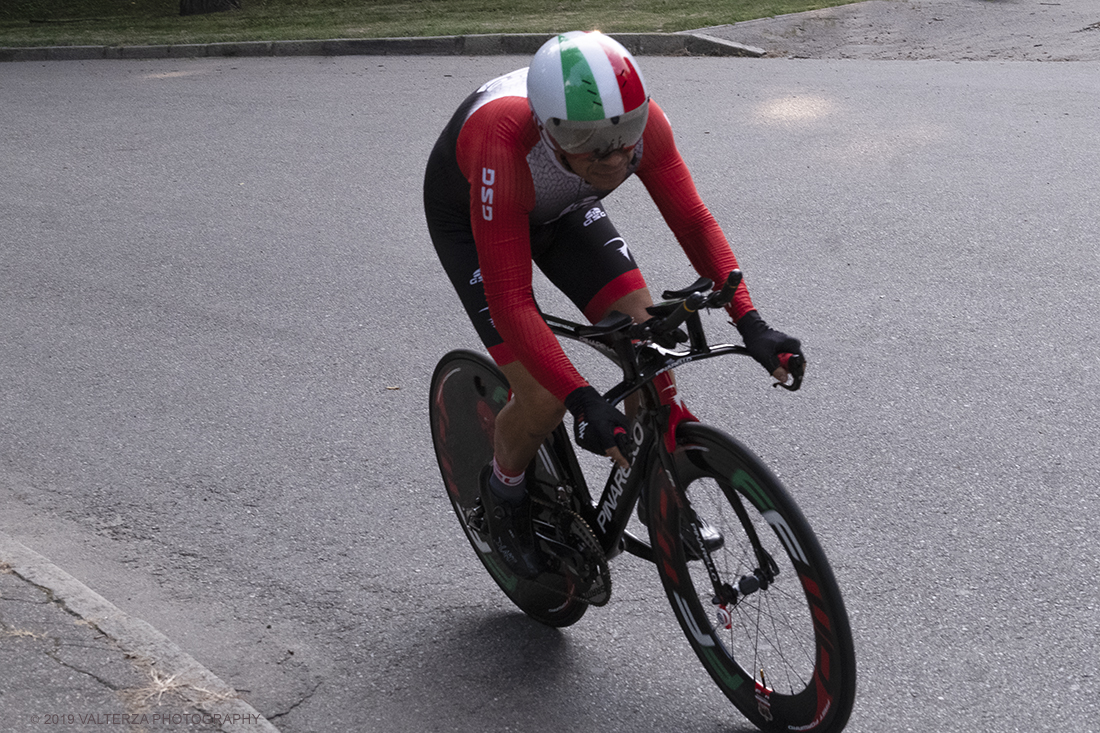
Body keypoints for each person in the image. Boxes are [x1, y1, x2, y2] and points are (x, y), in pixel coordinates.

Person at [423, 31, 801, 578]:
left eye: (625, 133)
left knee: (647, 341)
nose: (615, 155)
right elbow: (510, 301)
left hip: (564, 207)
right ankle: (503, 501)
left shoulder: (640, 127)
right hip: (476, 216)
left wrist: (751, 321)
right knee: (543, 398)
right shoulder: (502, 141)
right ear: (551, 131)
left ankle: (656, 492)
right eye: (591, 141)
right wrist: (581, 400)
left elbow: (694, 223)